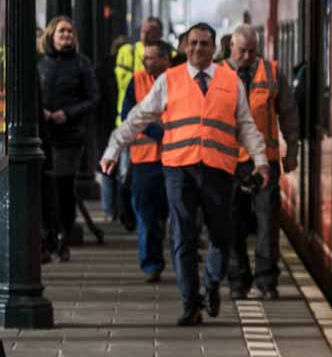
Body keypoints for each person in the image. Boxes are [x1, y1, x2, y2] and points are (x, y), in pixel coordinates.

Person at [102, 22, 268, 325]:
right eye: (192, 43)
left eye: (204, 43)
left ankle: (212, 284)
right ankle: (190, 302)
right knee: (183, 235)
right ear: (184, 46)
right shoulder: (170, 80)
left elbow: (244, 124)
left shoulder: (231, 81)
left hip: (218, 169)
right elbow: (138, 117)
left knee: (220, 235)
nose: (197, 48)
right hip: (179, 168)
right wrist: (114, 148)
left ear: (214, 48)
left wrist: (261, 160)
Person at [223, 24, 299, 299]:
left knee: (267, 223)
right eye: (242, 51)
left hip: (263, 163)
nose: (247, 56)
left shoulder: (271, 72)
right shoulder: (217, 74)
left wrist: (292, 149)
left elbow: (289, 113)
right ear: (231, 46)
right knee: (233, 225)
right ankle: (237, 281)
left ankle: (267, 282)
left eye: (252, 51)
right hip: (229, 164)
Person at [37, 15, 99, 262]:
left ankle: (62, 237)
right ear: (51, 35)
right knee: (43, 189)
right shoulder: (39, 63)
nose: (66, 36)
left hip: (69, 135)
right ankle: (46, 238)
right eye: (62, 32)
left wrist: (67, 114)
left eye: (70, 32)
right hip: (43, 134)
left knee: (63, 188)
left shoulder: (82, 64)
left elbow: (93, 98)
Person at [120, 39, 173, 283]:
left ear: (165, 59)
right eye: (145, 57)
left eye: (151, 57)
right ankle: (151, 264)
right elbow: (130, 115)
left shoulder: (179, 80)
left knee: (174, 213)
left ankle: (181, 258)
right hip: (144, 161)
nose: (145, 62)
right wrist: (158, 131)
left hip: (176, 159)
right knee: (146, 214)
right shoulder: (138, 80)